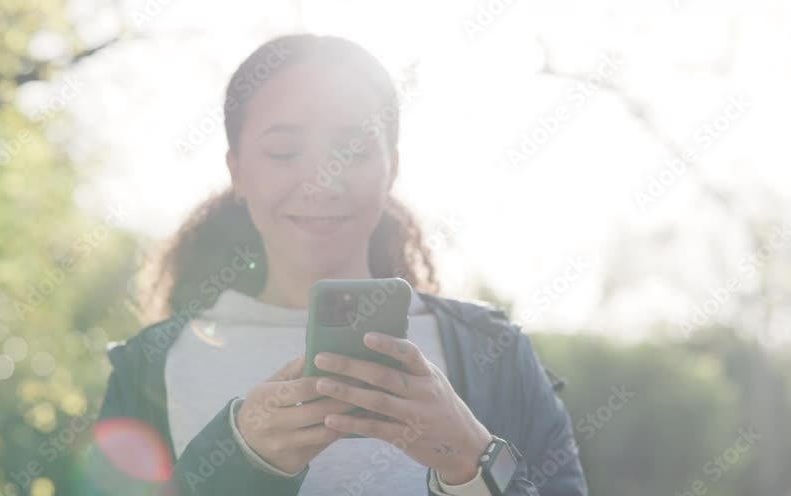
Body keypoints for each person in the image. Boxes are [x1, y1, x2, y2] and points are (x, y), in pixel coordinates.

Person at [87, 34, 588, 496]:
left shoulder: (495, 353)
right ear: (236, 171)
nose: (321, 179)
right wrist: (237, 461)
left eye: (352, 149)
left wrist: (470, 463)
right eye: (283, 151)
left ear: (393, 165)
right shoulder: (148, 368)